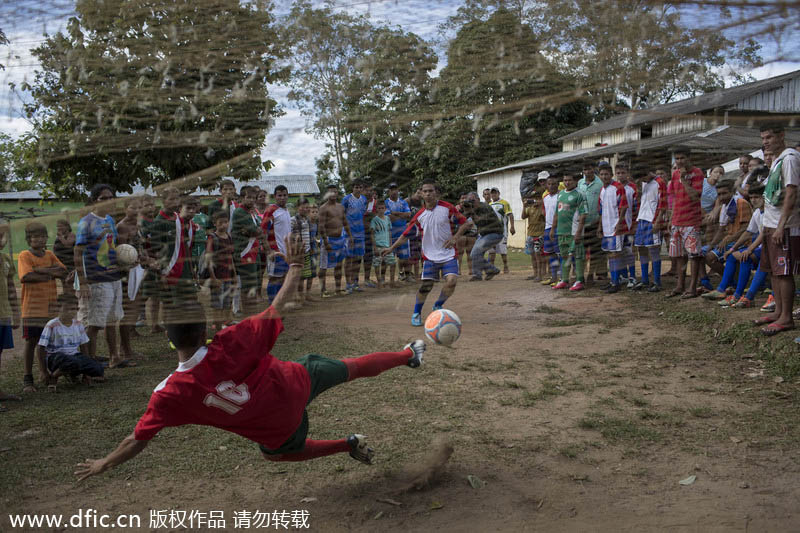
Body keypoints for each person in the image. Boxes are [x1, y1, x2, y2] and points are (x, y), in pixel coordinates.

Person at [74, 235, 428, 480]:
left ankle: (345, 444)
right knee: (351, 366)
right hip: (298, 380)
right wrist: (294, 267)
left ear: (168, 341)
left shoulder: (169, 394)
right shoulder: (229, 341)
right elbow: (279, 306)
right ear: (204, 333)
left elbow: (136, 439)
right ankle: (407, 354)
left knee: (276, 453)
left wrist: (105, 462)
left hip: (278, 425)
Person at [381, 180, 470, 326]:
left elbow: (466, 223)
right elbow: (405, 235)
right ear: (421, 194)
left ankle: (438, 305)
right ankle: (416, 313)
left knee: (452, 281)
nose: (428, 193)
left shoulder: (448, 208)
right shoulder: (419, 216)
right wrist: (391, 248)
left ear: (437, 193)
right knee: (426, 287)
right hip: (429, 257)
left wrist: (455, 237)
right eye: (425, 191)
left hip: (448, 254)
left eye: (431, 191)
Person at [75, 184, 130, 368]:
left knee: (112, 320)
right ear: (94, 201)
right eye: (103, 198)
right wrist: (83, 281)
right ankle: (90, 364)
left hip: (112, 276)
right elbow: (77, 252)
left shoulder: (110, 220)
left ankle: (114, 357)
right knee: (94, 323)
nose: (108, 201)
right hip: (96, 279)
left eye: (110, 197)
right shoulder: (86, 222)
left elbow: (111, 247)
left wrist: (125, 261)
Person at [755, 124, 800, 336]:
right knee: (774, 271)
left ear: (781, 136)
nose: (766, 141)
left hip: (787, 225)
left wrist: (781, 225)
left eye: (769, 137)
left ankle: (787, 318)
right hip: (771, 224)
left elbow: (791, 194)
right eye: (763, 138)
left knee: (783, 273)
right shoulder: (776, 160)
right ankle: (779, 312)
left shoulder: (790, 158)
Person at [19, 222, 67, 392]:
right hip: (32, 308)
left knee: (46, 342)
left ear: (47, 237)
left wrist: (40, 271)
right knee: (31, 342)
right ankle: (27, 379)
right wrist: (49, 272)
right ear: (28, 239)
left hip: (50, 307)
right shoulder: (25, 255)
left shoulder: (49, 254)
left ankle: (44, 372)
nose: (39, 239)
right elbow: (26, 276)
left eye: (42, 236)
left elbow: (62, 271)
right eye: (35, 237)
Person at [710, 182, 766, 308]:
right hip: (762, 248)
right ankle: (730, 292)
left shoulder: (769, 212)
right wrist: (733, 248)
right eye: (751, 197)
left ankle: (746, 296)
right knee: (732, 256)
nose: (753, 200)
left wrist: (749, 249)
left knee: (745, 257)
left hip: (770, 248)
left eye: (756, 197)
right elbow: (748, 232)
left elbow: (764, 234)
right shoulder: (757, 213)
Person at [37, 293, 104, 391]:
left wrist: (86, 373)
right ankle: (54, 376)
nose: (70, 312)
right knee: (73, 362)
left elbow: (84, 346)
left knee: (98, 368)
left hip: (74, 356)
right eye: (67, 309)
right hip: (56, 357)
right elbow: (40, 347)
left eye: (74, 309)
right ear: (58, 308)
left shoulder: (78, 324)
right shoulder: (52, 325)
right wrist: (43, 371)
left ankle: (72, 373)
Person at [666, 146, 705, 299]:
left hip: (691, 221)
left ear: (689, 158)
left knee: (694, 256)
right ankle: (680, 285)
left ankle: (692, 287)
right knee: (679, 256)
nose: (680, 161)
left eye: (682, 158)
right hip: (677, 220)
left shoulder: (697, 173)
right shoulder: (675, 174)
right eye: (677, 159)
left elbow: (695, 196)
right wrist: (671, 219)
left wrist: (684, 180)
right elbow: (674, 198)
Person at [701, 179, 752, 292]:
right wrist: (712, 245)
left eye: (724, 193)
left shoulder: (741, 203)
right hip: (729, 240)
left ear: (732, 192)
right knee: (700, 252)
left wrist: (728, 240)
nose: (722, 197)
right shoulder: (725, 206)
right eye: (719, 194)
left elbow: (746, 228)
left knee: (710, 257)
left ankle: (731, 282)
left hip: (742, 241)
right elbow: (721, 229)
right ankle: (711, 281)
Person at [550, 171, 587, 291]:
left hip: (574, 231)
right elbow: (557, 213)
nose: (567, 183)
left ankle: (579, 280)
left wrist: (579, 232)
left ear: (575, 181)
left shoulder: (580, 194)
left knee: (577, 256)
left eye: (569, 180)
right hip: (561, 231)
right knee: (564, 256)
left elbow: (583, 214)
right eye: (565, 180)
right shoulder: (560, 194)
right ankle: (565, 280)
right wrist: (552, 229)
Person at [632, 168, 668, 292]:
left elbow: (663, 204)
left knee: (653, 250)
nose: (642, 181)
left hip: (652, 219)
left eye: (643, 178)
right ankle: (644, 279)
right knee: (641, 248)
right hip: (641, 218)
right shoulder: (644, 184)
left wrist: (657, 222)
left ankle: (657, 281)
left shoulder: (659, 182)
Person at [597, 162, 629, 293]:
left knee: (615, 254)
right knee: (610, 254)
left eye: (607, 174)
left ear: (611, 175)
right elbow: (601, 210)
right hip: (606, 227)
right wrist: (600, 227)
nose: (604, 177)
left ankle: (616, 283)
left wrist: (619, 224)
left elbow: (624, 207)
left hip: (615, 227)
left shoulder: (618, 187)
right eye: (602, 174)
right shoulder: (602, 190)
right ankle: (612, 280)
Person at [231, 186, 263, 316]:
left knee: (254, 283)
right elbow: (256, 230)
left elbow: (259, 230)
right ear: (241, 198)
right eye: (248, 197)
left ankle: (251, 311)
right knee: (247, 285)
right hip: (244, 253)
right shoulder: (239, 212)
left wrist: (254, 231)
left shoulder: (252, 212)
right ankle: (248, 312)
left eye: (253, 198)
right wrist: (254, 231)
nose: (251, 200)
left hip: (253, 252)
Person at [318, 185, 352, 297]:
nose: (333, 194)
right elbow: (321, 226)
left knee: (338, 265)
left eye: (335, 192)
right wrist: (325, 242)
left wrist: (350, 236)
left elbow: (345, 222)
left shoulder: (341, 207)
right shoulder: (323, 208)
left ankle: (338, 289)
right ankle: (323, 290)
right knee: (323, 267)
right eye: (331, 192)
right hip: (328, 239)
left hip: (340, 240)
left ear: (337, 194)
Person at [0, 221, 20, 411]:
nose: (2, 240)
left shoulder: (6, 259)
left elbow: (12, 288)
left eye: (3, 236)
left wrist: (16, 312)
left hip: (3, 313)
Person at [261, 185, 292, 304]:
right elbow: (263, 232)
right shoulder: (271, 211)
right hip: (276, 252)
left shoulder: (286, 210)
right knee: (275, 278)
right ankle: (272, 304)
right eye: (279, 195)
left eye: (285, 195)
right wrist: (269, 251)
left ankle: (279, 303)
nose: (282, 198)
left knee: (284, 278)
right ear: (275, 196)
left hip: (286, 252)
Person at [462, 192, 503, 282]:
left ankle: (478, 275)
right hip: (485, 234)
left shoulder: (484, 207)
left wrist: (471, 212)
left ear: (478, 200)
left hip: (495, 233)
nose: (471, 203)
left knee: (475, 252)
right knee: (474, 254)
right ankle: (490, 270)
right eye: (469, 201)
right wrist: (462, 209)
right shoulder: (472, 208)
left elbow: (481, 222)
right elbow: (461, 218)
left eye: (473, 200)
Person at [206, 210, 236, 331]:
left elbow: (231, 257)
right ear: (215, 223)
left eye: (226, 222)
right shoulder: (212, 238)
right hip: (217, 276)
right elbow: (208, 259)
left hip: (228, 275)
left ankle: (225, 322)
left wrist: (234, 274)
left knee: (227, 301)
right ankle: (217, 326)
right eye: (221, 223)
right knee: (217, 304)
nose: (224, 225)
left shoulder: (229, 236)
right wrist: (213, 278)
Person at [578, 161, 605, 283]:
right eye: (585, 169)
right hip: (582, 223)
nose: (587, 172)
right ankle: (581, 275)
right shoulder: (580, 183)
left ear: (594, 169)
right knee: (582, 251)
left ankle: (590, 274)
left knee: (594, 251)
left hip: (595, 222)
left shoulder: (600, 183)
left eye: (589, 169)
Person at [341, 180, 368, 292]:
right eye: (356, 187)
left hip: (360, 233)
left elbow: (363, 214)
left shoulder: (364, 200)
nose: (358, 189)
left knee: (357, 259)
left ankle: (355, 282)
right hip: (348, 234)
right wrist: (348, 232)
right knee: (348, 259)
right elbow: (342, 215)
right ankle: (348, 284)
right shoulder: (346, 199)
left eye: (360, 187)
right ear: (352, 188)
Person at [385, 183, 412, 281]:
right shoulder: (386, 202)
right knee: (392, 257)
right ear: (389, 191)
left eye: (396, 189)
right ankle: (397, 276)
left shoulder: (403, 202)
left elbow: (408, 214)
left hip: (403, 232)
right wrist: (401, 215)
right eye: (392, 189)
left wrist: (395, 213)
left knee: (405, 256)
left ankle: (407, 274)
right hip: (391, 233)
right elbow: (389, 218)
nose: (394, 191)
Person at [291, 197, 314, 304]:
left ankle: (302, 297)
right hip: (298, 252)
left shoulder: (307, 220)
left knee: (305, 275)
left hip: (307, 251)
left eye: (307, 207)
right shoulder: (293, 220)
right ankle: (298, 298)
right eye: (303, 207)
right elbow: (289, 234)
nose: (305, 209)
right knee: (299, 276)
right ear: (297, 208)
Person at [369, 199, 396, 289]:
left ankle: (392, 281)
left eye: (382, 208)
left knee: (392, 263)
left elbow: (389, 232)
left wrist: (391, 245)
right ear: (377, 209)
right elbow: (372, 234)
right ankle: (379, 282)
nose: (381, 210)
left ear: (385, 209)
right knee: (377, 264)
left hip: (387, 246)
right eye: (379, 208)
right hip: (378, 245)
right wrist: (375, 247)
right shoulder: (374, 220)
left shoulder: (387, 219)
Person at [488, 188, 515, 274]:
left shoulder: (504, 203)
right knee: (492, 251)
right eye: (492, 193)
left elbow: (510, 215)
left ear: (498, 193)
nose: (493, 195)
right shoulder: (490, 204)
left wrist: (512, 227)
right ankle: (491, 268)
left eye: (495, 193)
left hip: (502, 231)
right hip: (492, 231)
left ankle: (506, 267)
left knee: (503, 251)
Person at [541, 173, 561, 285]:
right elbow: (544, 212)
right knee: (550, 254)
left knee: (559, 254)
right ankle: (553, 276)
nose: (551, 186)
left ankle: (561, 277)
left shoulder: (561, 196)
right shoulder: (545, 197)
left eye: (554, 184)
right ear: (546, 185)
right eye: (549, 184)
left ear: (558, 185)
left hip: (558, 228)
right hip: (547, 228)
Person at [521, 188, 545, 281]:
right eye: (533, 198)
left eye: (537, 198)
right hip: (530, 233)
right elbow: (523, 217)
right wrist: (524, 206)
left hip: (539, 234)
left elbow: (544, 216)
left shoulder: (542, 207)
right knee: (532, 256)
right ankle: (535, 274)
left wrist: (541, 204)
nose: (535, 200)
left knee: (538, 256)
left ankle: (540, 274)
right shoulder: (529, 208)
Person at [53, 220, 76, 284]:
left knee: (70, 281)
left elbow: (68, 245)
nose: (59, 228)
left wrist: (60, 237)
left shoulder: (71, 235)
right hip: (61, 264)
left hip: (70, 264)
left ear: (67, 227)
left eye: (61, 226)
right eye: (57, 226)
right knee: (64, 282)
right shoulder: (59, 236)